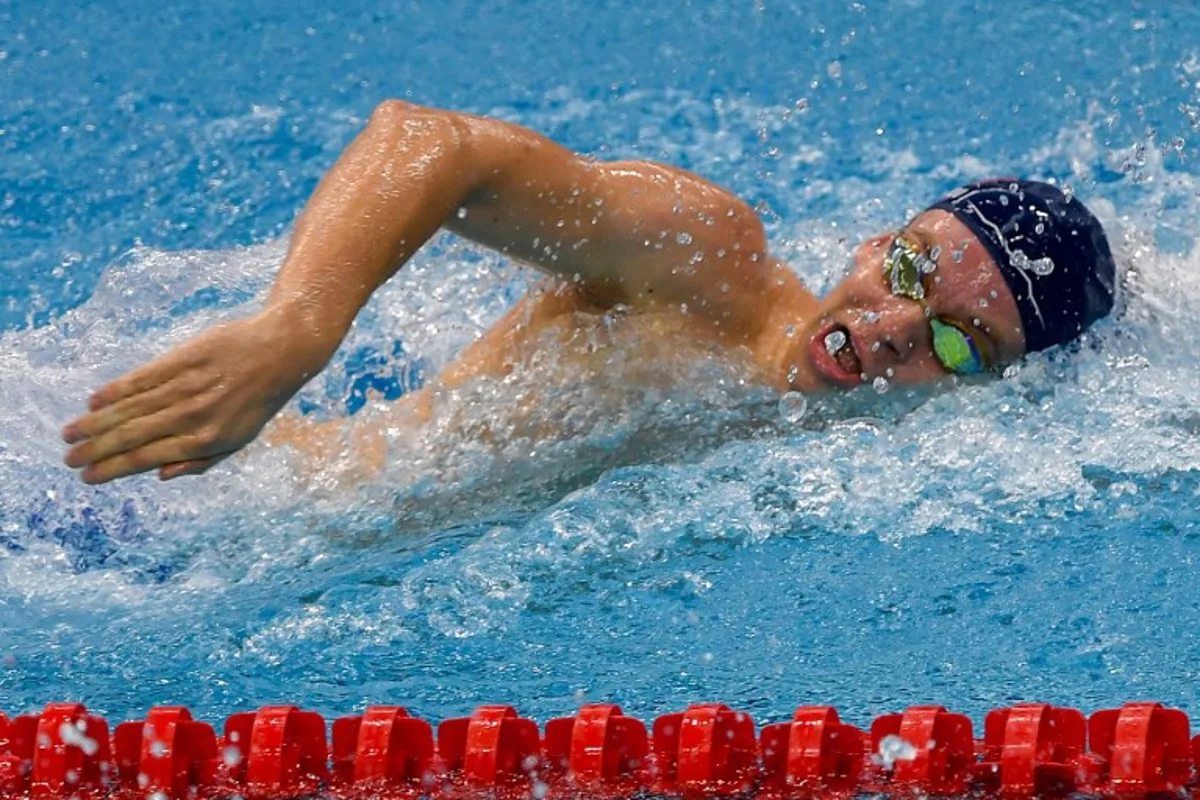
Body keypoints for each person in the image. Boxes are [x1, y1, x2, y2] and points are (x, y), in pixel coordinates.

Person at [61, 101, 1117, 485]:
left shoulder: (860, 469)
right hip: (172, 474)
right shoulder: (711, 263)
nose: (893, 333)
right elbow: (433, 142)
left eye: (962, 345)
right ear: (874, 239)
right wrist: (295, 330)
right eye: (908, 273)